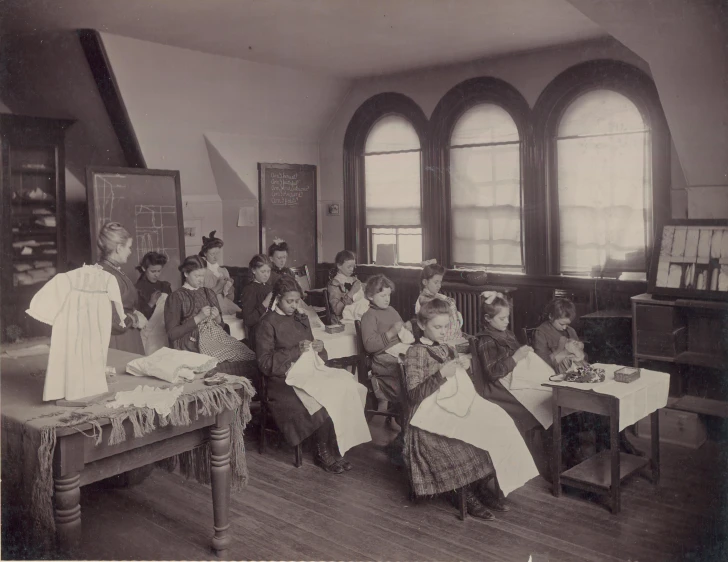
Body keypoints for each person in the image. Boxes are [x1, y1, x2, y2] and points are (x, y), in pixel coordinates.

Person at [404, 299, 537, 520]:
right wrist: (441, 375)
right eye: (438, 327)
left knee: (501, 423)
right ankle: (465, 494)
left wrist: (462, 366)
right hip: (425, 418)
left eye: (446, 326)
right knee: (469, 437)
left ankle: (478, 486)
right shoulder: (415, 353)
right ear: (421, 324)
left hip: (452, 405)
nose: (444, 331)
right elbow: (413, 395)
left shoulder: (446, 347)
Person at [256, 276, 351, 474]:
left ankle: (333, 446)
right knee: (319, 397)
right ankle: (321, 451)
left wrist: (320, 348)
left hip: (306, 373)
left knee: (339, 388)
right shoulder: (267, 323)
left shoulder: (301, 318)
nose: (293, 306)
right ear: (278, 299)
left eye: (297, 301)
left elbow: (317, 355)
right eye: (288, 301)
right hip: (281, 382)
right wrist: (295, 351)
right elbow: (264, 364)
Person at [533, 297, 638, 456]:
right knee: (596, 401)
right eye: (562, 323)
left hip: (576, 375)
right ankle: (605, 444)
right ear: (550, 317)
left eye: (568, 323)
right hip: (557, 379)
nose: (565, 327)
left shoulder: (570, 331)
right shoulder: (541, 332)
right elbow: (541, 364)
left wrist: (579, 355)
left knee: (609, 397)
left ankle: (616, 440)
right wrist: (564, 351)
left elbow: (585, 359)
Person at [165, 255, 259, 386]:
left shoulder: (209, 293)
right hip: (193, 342)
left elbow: (222, 327)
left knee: (249, 355)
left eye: (203, 276)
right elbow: (172, 334)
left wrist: (218, 319)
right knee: (217, 365)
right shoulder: (176, 297)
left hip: (216, 338)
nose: (201, 280)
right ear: (186, 273)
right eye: (197, 276)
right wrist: (198, 318)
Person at [360, 274, 411, 413]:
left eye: (388, 295)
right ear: (370, 296)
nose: (387, 299)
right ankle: (403, 407)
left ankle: (409, 404)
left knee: (417, 358)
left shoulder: (392, 310)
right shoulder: (369, 316)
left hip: (398, 349)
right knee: (406, 366)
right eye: (383, 296)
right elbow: (369, 346)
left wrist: (406, 328)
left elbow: (401, 332)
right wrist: (391, 332)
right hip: (381, 356)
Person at [97, 222, 146, 355]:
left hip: (118, 338)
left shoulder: (102, 269)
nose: (130, 252)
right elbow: (113, 321)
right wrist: (134, 319)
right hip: (120, 341)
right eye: (129, 247)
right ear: (119, 248)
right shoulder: (110, 275)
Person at [415, 263, 464, 343]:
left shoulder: (438, 296)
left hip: (451, 333)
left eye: (440, 282)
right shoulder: (423, 299)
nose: (439, 286)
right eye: (436, 282)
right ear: (425, 282)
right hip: (442, 337)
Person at [199, 231, 240, 315]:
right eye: (212, 254)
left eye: (218, 253)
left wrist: (230, 288)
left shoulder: (224, 271)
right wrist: (218, 286)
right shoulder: (201, 272)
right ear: (205, 253)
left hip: (226, 305)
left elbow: (230, 299)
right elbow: (201, 299)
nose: (216, 257)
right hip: (210, 308)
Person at [238, 254, 273, 352]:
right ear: (253, 270)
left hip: (272, 327)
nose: (266, 275)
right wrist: (265, 303)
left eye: (268, 271)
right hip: (259, 333)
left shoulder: (269, 287)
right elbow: (249, 320)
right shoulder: (249, 290)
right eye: (263, 271)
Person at [326, 250, 363, 323]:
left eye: (353, 266)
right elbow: (337, 310)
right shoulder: (334, 284)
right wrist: (351, 292)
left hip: (357, 316)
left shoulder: (353, 279)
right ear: (339, 266)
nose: (352, 270)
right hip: (342, 320)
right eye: (349, 267)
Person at [135, 251, 172, 320]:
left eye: (159, 271)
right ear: (144, 268)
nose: (156, 275)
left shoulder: (165, 286)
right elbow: (136, 318)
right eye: (153, 271)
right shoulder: (137, 289)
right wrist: (150, 304)